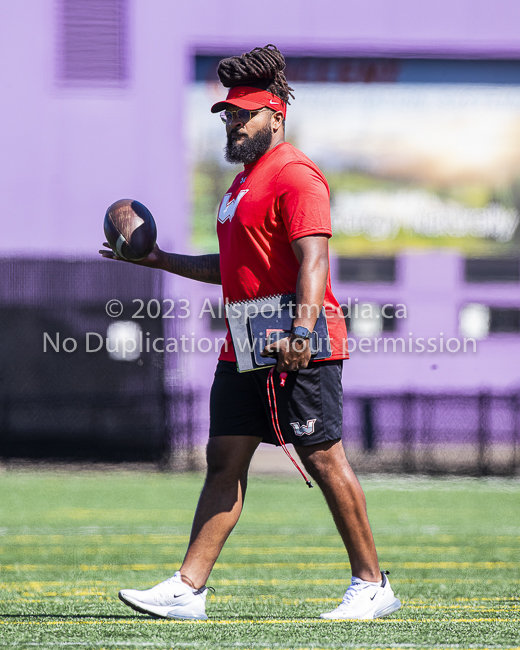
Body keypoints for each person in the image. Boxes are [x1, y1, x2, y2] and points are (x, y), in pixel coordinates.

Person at [100, 44, 401, 621]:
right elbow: (231, 267)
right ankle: (189, 589)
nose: (233, 123)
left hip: (295, 336)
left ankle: (371, 584)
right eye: (228, 115)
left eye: (244, 114)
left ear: (276, 115)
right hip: (246, 339)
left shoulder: (295, 174)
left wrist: (302, 331)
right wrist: (159, 258)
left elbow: (314, 259)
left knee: (323, 457)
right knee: (224, 459)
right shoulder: (240, 186)